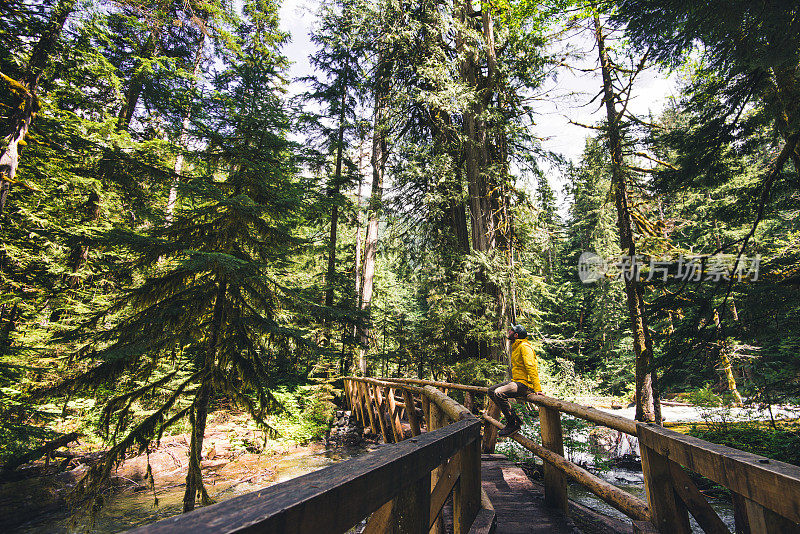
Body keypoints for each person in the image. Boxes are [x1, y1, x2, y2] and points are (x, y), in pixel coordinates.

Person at [488, 324, 542, 437]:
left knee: (499, 392)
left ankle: (513, 423)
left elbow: (531, 367)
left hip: (525, 384)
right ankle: (513, 418)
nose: (509, 331)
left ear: (516, 335)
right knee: (491, 391)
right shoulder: (517, 346)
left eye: (511, 330)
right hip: (517, 381)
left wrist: (537, 388)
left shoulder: (524, 347)